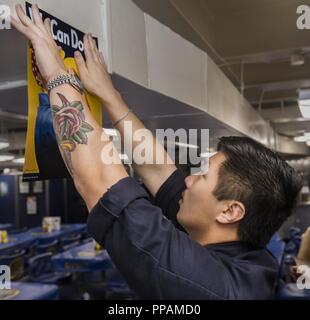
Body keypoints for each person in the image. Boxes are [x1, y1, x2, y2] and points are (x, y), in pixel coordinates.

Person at [12, 4, 302, 299]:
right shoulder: (239, 249)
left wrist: (56, 76)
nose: (189, 179)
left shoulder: (206, 285)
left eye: (202, 176)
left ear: (230, 211)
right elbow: (158, 169)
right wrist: (110, 95)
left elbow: (98, 180)